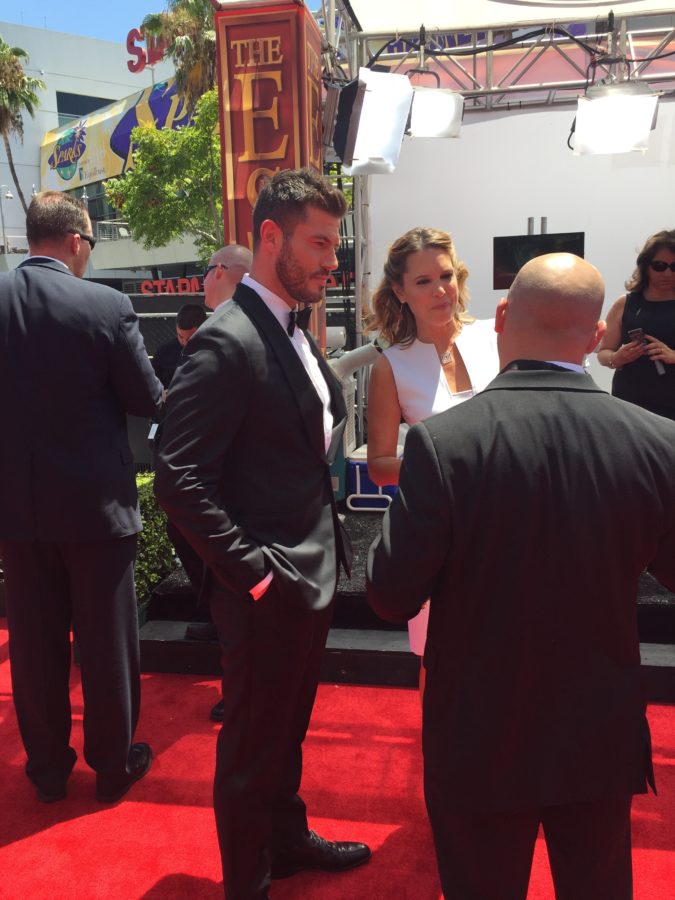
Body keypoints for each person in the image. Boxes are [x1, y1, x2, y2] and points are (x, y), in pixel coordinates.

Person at [367, 253, 675, 900]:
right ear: (594, 339)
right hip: (598, 729)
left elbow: (391, 593)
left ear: (502, 317)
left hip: (479, 733)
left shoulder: (442, 445)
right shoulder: (656, 441)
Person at [154, 168, 370, 899]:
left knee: (286, 733)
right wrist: (252, 572)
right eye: (317, 243)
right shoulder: (229, 341)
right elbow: (177, 477)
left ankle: (284, 839)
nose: (329, 261)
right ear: (269, 237)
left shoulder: (292, 334)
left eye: (333, 245)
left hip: (305, 576)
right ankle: (247, 880)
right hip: (266, 585)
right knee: (252, 744)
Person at [0, 191, 163, 804]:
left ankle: (46, 769)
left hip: (16, 509)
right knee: (106, 644)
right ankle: (113, 766)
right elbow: (147, 399)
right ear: (75, 241)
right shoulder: (106, 306)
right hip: (96, 509)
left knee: (35, 648)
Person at [366, 227, 499, 666]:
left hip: (510, 522)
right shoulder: (391, 366)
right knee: (439, 660)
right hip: (436, 530)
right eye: (423, 281)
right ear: (401, 292)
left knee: (512, 654)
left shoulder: (498, 337)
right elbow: (380, 466)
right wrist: (442, 465)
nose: (440, 290)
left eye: (446, 276)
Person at [597, 229, 675, 420]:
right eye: (659, 266)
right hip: (631, 405)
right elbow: (603, 353)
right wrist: (617, 357)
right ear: (645, 266)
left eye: (674, 267)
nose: (667, 273)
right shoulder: (626, 303)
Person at [151, 303, 208, 389]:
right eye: (180, 336)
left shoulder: (213, 352)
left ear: (203, 329)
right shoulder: (164, 352)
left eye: (190, 338)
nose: (184, 342)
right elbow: (152, 382)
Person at [204, 243, 253, 311]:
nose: (204, 280)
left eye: (206, 271)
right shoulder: (265, 316)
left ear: (219, 271)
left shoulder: (219, 321)